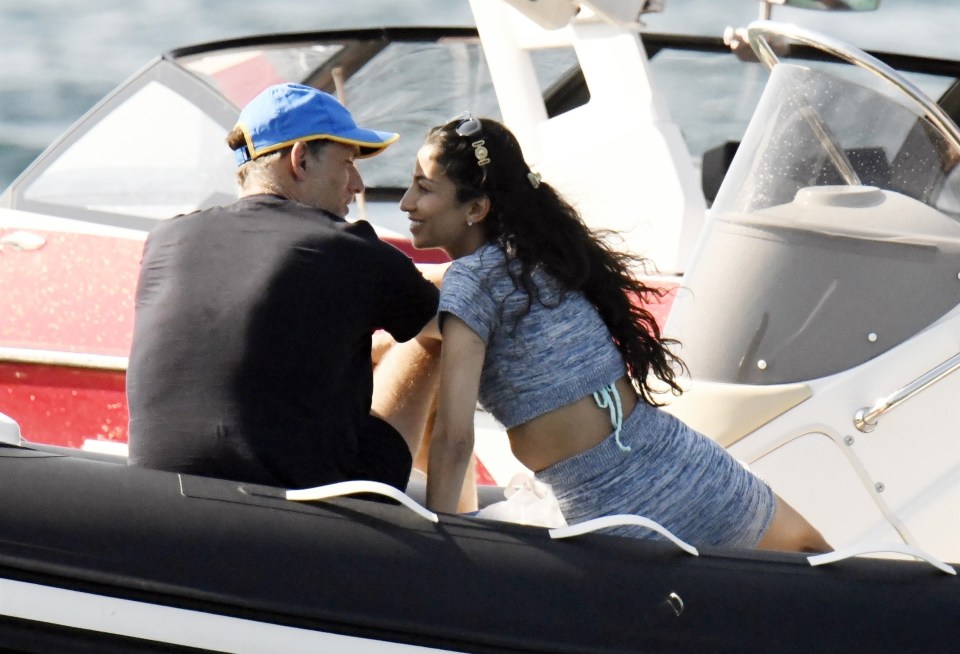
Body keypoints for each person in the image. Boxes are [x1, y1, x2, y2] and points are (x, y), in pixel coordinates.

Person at [399, 114, 830, 552]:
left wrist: (441, 547)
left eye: (424, 188)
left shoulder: (471, 283)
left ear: (476, 209)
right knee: (817, 556)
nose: (406, 203)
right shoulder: (542, 257)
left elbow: (455, 438)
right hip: (686, 468)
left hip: (611, 511)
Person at [127, 83, 441, 492]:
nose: (358, 184)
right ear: (301, 159)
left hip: (160, 498)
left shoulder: (167, 238)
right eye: (347, 163)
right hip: (306, 514)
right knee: (430, 334)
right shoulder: (344, 247)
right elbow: (455, 322)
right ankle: (459, 522)